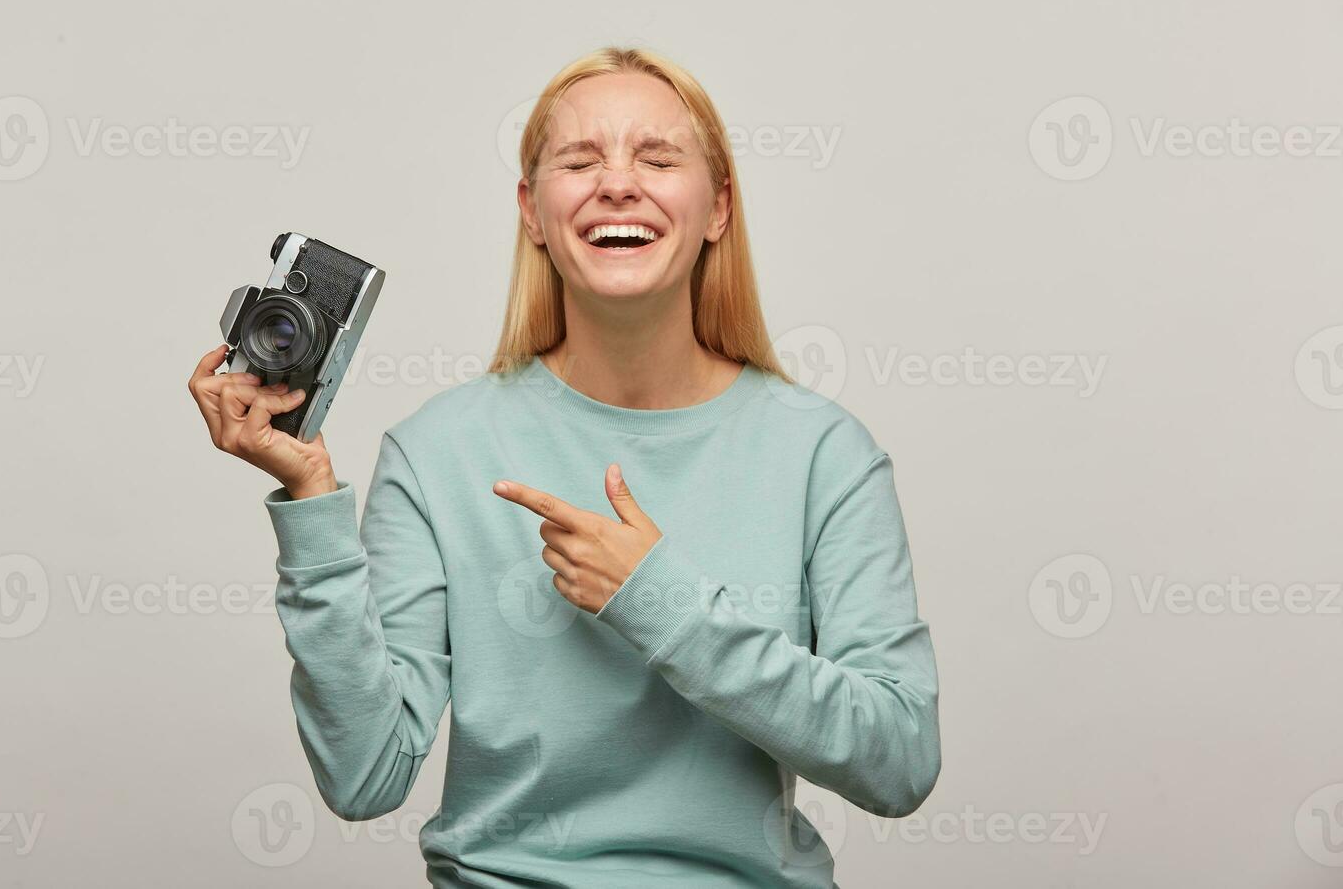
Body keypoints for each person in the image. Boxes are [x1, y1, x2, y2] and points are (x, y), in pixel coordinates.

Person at [188, 46, 941, 888]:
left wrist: (660, 602)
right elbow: (365, 776)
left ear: (718, 207)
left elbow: (901, 760)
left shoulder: (824, 454)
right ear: (533, 213)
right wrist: (311, 501)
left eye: (658, 158)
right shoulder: (436, 452)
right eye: (579, 161)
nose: (618, 183)